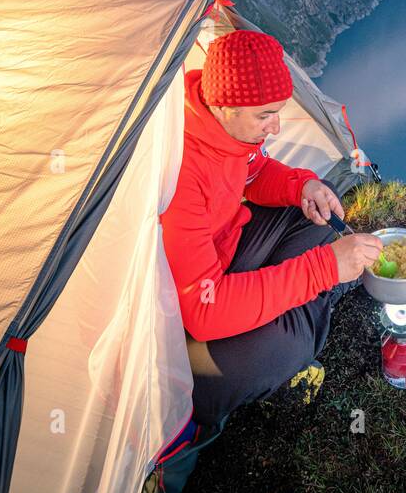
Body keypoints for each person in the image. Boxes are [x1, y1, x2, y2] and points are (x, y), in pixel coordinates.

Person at [160, 28, 383, 428]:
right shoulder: (178, 170)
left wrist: (301, 185)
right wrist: (323, 269)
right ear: (223, 106)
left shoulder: (224, 124)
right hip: (184, 326)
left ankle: (298, 308)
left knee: (321, 201)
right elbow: (202, 312)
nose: (277, 127)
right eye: (266, 115)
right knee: (276, 351)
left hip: (227, 254)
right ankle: (307, 316)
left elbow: (254, 172)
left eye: (278, 111)